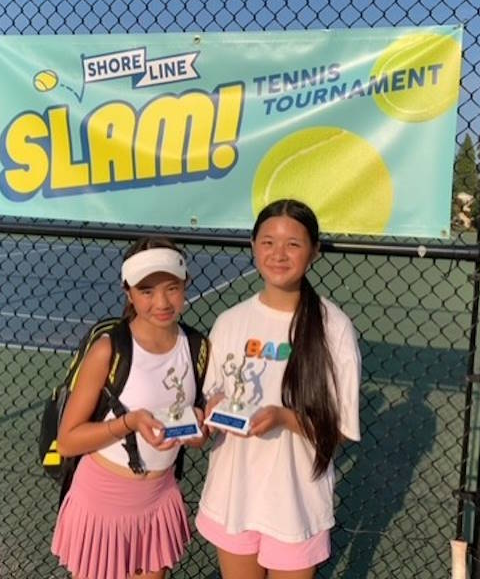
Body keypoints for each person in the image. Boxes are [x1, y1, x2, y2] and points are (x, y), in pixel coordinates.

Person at [196, 199, 361, 579]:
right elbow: (211, 399)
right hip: (233, 496)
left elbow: (338, 427)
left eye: (293, 244)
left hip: (295, 504)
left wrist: (284, 418)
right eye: (268, 242)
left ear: (314, 251)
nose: (278, 254)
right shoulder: (230, 321)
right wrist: (213, 410)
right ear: (253, 246)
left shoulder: (333, 327)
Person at [51, 236, 207, 579]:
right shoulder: (109, 350)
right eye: (147, 291)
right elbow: (68, 441)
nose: (162, 302)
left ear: (186, 285)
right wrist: (129, 423)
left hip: (158, 499)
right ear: (128, 293)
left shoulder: (197, 347)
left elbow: (196, 428)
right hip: (102, 505)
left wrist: (198, 429)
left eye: (172, 288)